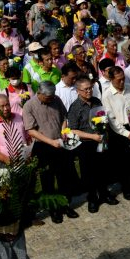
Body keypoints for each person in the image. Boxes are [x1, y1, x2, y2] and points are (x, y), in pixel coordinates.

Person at [23, 80, 79, 223]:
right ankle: (53, 209)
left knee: (64, 177)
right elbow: (31, 131)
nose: (51, 99)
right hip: (43, 146)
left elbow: (64, 117)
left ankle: (65, 204)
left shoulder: (56, 99)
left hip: (59, 143)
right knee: (47, 179)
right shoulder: (29, 106)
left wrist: (63, 130)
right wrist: (50, 142)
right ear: (39, 93)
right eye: (48, 98)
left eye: (52, 96)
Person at [64, 77, 117, 211]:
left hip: (100, 139)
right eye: (85, 89)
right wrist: (92, 136)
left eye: (90, 88)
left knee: (103, 168)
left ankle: (104, 193)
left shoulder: (96, 101)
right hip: (86, 143)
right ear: (78, 91)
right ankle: (92, 198)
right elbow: (73, 130)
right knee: (89, 173)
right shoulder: (75, 107)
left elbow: (102, 117)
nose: (89, 91)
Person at [100, 66, 130, 200]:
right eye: (119, 80)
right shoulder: (107, 95)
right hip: (119, 132)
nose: (122, 82)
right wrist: (126, 133)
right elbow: (112, 118)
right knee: (123, 163)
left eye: (123, 79)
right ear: (112, 79)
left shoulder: (129, 88)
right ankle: (126, 188)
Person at [0, 92, 27, 165]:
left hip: (26, 159)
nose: (6, 108)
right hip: (9, 164)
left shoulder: (19, 117)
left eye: (7, 105)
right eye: (2, 106)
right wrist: (8, 161)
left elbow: (28, 138)